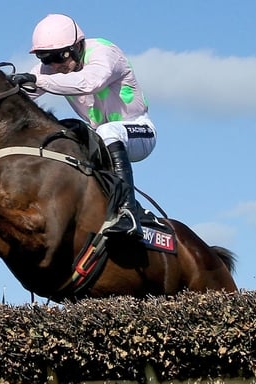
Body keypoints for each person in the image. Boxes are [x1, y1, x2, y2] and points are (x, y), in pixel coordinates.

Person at [11, 13, 156, 238]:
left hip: (139, 131)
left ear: (78, 46)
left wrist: (39, 80)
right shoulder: (53, 66)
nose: (55, 65)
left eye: (60, 56)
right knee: (65, 135)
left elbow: (91, 82)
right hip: (99, 138)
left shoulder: (104, 52)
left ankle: (128, 213)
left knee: (108, 131)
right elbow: (22, 93)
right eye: (45, 59)